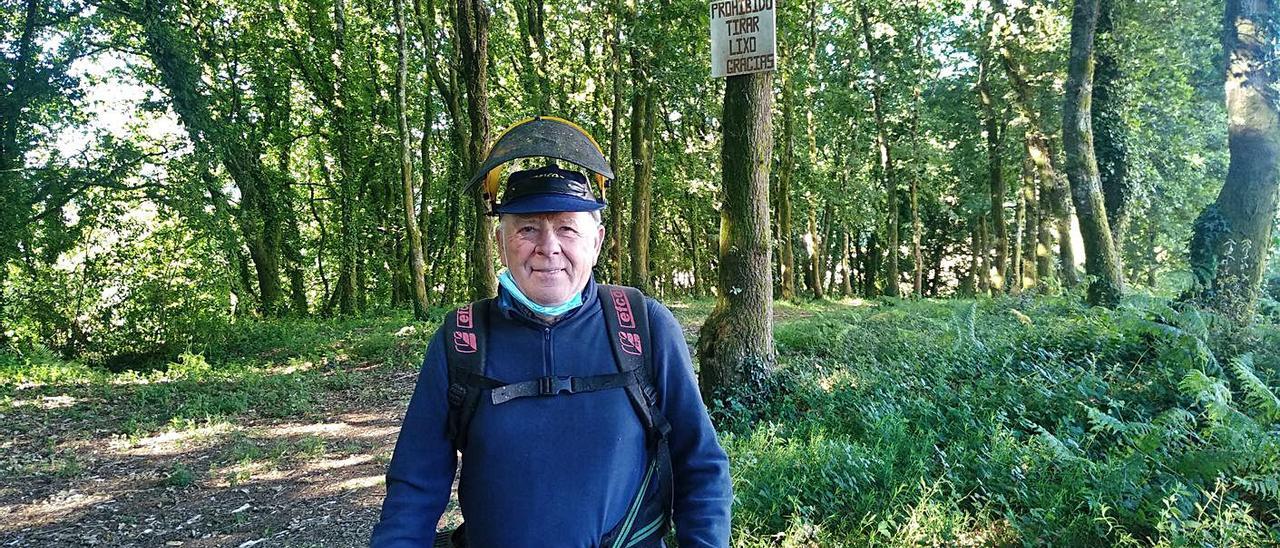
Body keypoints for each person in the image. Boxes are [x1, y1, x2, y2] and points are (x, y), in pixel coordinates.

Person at [370, 117, 731, 547]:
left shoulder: (642, 325)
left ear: (596, 242)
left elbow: (702, 466)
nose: (548, 247)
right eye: (527, 228)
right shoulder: (463, 338)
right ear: (502, 240)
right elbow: (414, 486)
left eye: (566, 228)